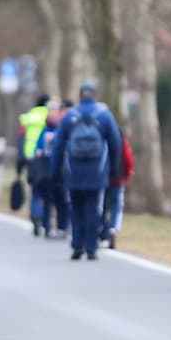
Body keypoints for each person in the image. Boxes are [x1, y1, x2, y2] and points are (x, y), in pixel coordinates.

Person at [50, 82, 122, 261]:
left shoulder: (69, 116)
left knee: (75, 207)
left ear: (79, 95)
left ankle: (77, 244)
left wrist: (56, 171)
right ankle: (91, 247)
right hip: (97, 170)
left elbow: (58, 145)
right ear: (95, 95)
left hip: (73, 170)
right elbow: (115, 144)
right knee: (93, 208)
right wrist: (114, 169)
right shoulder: (104, 115)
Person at [32, 101, 67, 238]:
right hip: (45, 169)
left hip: (60, 168)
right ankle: (46, 225)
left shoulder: (63, 127)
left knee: (61, 200)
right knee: (46, 198)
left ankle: (62, 226)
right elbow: (38, 146)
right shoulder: (45, 129)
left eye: (54, 112)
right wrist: (38, 151)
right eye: (50, 112)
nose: (52, 115)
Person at [18, 94, 51, 232]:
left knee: (34, 188)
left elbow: (21, 136)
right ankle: (44, 218)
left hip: (29, 155)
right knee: (47, 189)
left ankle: (35, 214)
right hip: (45, 156)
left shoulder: (28, 116)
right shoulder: (50, 115)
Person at [101, 135, 135, 249]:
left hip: (102, 178)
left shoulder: (101, 137)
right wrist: (127, 173)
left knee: (102, 206)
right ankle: (112, 228)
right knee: (116, 205)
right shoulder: (120, 139)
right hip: (118, 178)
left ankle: (103, 232)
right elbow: (127, 157)